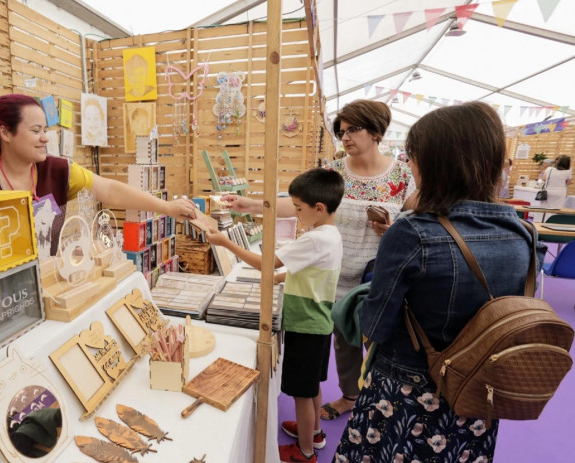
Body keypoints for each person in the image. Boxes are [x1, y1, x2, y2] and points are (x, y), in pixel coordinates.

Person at [332, 101, 547, 462]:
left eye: (415, 155)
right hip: (479, 394)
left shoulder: (414, 232)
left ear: (435, 161)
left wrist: (355, 301)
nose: (411, 164)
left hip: (407, 395)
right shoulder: (524, 233)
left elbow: (375, 325)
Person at [223, 100, 414, 421]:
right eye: (342, 132)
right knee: (343, 343)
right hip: (332, 274)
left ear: (377, 130)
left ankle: (383, 402)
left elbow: (415, 222)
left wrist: (393, 229)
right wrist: (253, 205)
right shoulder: (334, 173)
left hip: (379, 275)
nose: (346, 137)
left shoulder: (402, 175)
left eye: (354, 129)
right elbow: (298, 205)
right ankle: (351, 397)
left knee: (382, 341)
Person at [206, 168, 344, 463]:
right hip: (319, 323)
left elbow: (266, 263)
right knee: (311, 386)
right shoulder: (330, 234)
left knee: (301, 393)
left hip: (305, 325)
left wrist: (226, 243)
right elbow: (311, 275)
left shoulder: (315, 239)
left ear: (318, 209)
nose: (294, 213)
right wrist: (280, 280)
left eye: (297, 208)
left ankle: (305, 451)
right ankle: (315, 432)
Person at [0, 94, 195, 256]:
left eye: (45, 129)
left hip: (50, 286)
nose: (45, 137)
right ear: (6, 133)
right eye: (36, 130)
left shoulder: (58, 170)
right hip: (1, 301)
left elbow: (108, 190)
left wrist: (166, 206)